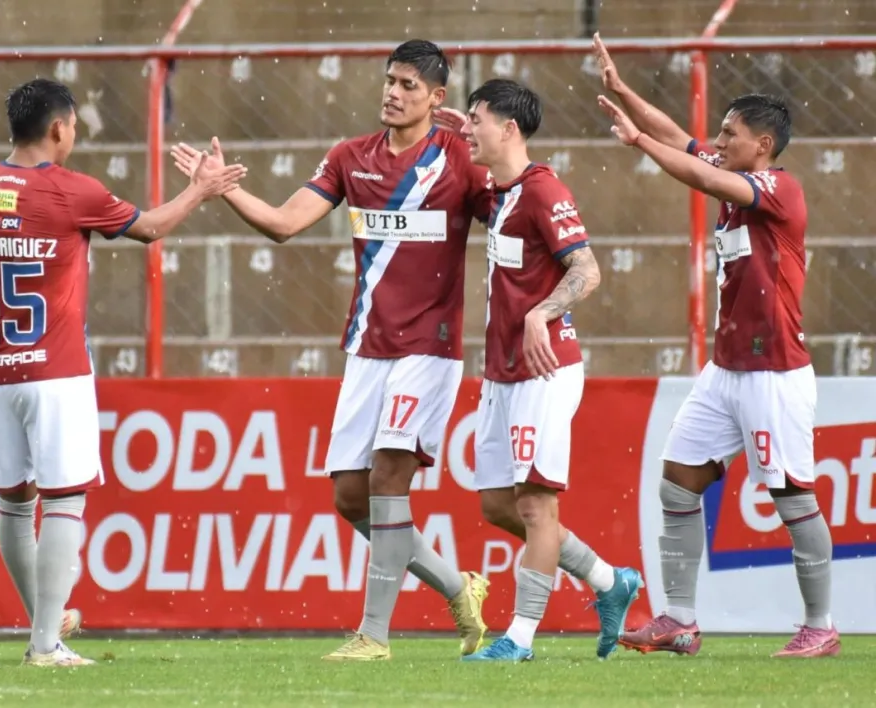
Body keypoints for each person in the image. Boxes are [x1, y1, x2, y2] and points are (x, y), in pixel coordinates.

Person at [172, 39, 493, 662]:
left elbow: (515, 196)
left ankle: (373, 635)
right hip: (367, 350)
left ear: (436, 97)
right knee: (350, 497)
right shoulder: (351, 158)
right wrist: (220, 190)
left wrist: (488, 146)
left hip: (429, 349)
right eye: (389, 81)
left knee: (387, 482)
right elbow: (284, 223)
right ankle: (459, 588)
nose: (392, 93)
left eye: (407, 85)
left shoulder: (458, 158)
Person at [0, 78, 246, 667]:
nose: (73, 135)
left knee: (15, 503)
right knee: (65, 499)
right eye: (74, 126)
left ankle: (44, 627)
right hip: (55, 372)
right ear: (58, 129)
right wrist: (201, 191)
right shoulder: (71, 192)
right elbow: (152, 228)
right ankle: (46, 642)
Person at [593, 33, 838, 658]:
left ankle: (822, 624)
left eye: (730, 134)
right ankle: (679, 618)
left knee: (790, 496)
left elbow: (694, 170)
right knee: (678, 483)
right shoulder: (734, 171)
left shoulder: (779, 190)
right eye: (720, 134)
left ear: (763, 145)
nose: (718, 142)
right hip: (726, 371)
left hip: (773, 372)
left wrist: (637, 142)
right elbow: (683, 141)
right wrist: (626, 95)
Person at [428, 79, 643, 663]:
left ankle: (519, 639)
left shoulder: (545, 191)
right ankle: (607, 580)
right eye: (467, 118)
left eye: (477, 119)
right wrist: (456, 135)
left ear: (510, 129)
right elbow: (477, 177)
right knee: (496, 504)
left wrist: (542, 314)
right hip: (502, 372)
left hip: (545, 371)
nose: (469, 127)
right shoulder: (499, 192)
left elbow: (588, 270)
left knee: (536, 508)